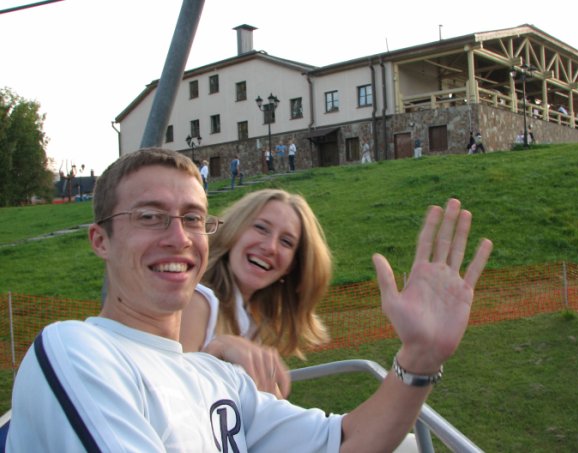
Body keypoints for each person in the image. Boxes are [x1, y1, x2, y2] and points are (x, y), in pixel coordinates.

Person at [7, 148, 493, 451]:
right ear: (100, 240)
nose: (179, 237)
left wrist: (420, 357)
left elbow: (345, 441)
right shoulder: (77, 350)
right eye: (150, 216)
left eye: (193, 218)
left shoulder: (222, 381)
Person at [180, 189, 332, 396]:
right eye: (261, 228)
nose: (270, 247)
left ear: (291, 266)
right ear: (234, 230)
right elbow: (171, 400)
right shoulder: (197, 302)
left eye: (286, 242)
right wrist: (218, 349)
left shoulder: (252, 323)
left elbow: (270, 409)